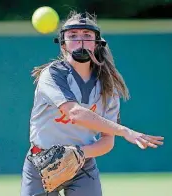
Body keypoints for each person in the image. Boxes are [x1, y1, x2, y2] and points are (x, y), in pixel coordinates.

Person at [20, 11, 164, 196]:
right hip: (41, 162)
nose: (80, 40)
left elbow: (106, 141)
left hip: (84, 164)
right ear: (63, 43)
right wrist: (124, 131)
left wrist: (79, 154)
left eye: (87, 35)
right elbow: (74, 112)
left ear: (97, 43)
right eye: (73, 35)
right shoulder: (53, 74)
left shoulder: (107, 85)